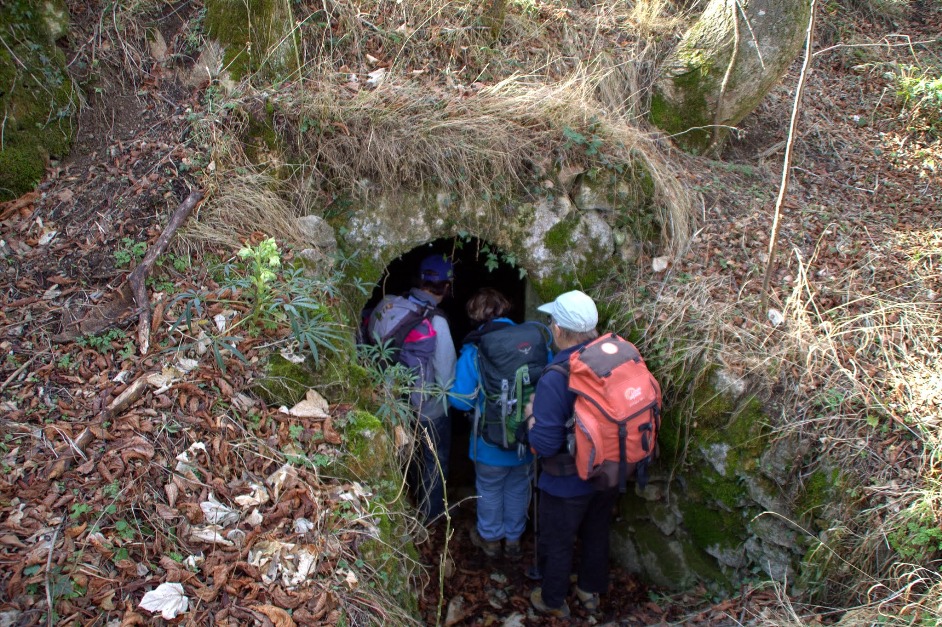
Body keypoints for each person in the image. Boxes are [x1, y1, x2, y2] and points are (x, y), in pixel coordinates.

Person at [526, 290, 616, 618]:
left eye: (552, 321)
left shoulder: (557, 375)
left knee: (558, 540)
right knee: (596, 531)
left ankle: (552, 600)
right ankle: (589, 592)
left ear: (559, 329)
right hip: (609, 469)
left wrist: (531, 417)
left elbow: (546, 445)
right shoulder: (611, 356)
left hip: (567, 480)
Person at [449, 288, 547, 559]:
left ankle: (491, 540)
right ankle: (513, 540)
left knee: (490, 488)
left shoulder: (475, 350)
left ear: (474, 316)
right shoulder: (532, 344)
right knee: (519, 486)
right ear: (506, 309)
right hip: (526, 437)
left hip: (488, 441)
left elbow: (459, 401)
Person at [409, 254, 458, 523]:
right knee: (435, 460)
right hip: (429, 408)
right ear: (447, 286)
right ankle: (432, 513)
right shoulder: (436, 321)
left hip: (395, 402)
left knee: (410, 456)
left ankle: (409, 504)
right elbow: (446, 373)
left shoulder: (395, 306)